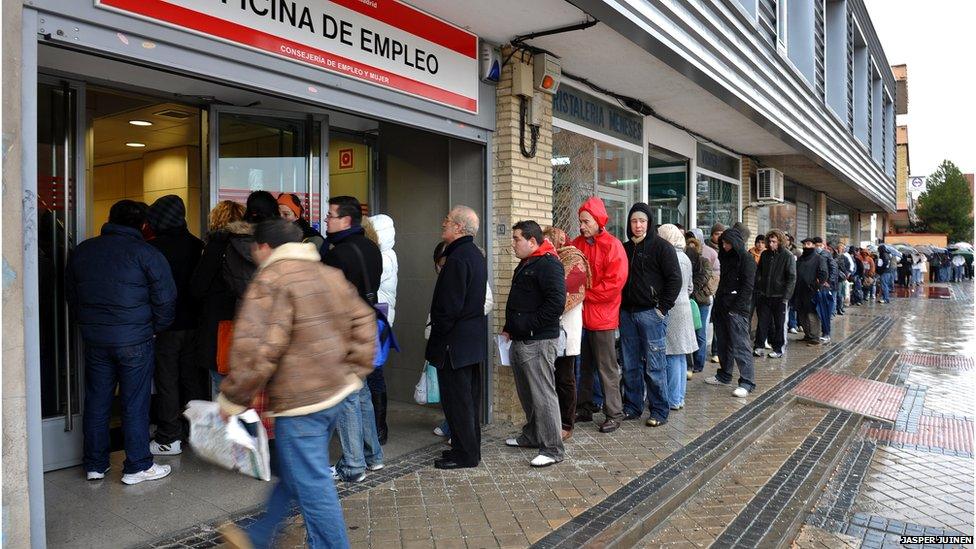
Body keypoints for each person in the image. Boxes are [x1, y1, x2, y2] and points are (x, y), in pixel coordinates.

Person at [216, 218, 375, 549]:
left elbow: (258, 349)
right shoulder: (328, 273)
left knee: (313, 483)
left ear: (263, 247)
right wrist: (354, 369)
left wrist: (233, 398)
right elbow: (364, 318)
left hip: (301, 402)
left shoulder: (271, 280)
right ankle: (259, 536)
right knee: (296, 473)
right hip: (334, 393)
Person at [66, 200, 177, 484]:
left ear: (110, 219)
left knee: (97, 401)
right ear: (143, 225)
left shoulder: (83, 250)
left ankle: (94, 464)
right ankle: (137, 465)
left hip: (96, 340)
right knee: (134, 403)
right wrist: (155, 329)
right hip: (136, 340)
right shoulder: (147, 253)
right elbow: (166, 299)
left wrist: (89, 325)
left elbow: (72, 296)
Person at [320, 196, 385, 482]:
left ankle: (353, 466)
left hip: (343, 330)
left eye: (330, 215)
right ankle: (373, 457)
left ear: (346, 220)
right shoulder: (372, 248)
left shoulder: (337, 254)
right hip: (367, 325)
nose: (325, 220)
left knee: (347, 397)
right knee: (362, 394)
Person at [191, 191, 279, 390]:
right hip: (269, 335)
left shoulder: (221, 244)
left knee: (226, 400)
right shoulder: (283, 246)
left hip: (224, 332)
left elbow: (198, 288)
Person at [426, 206, 488, 469]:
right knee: (467, 401)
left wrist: (438, 331)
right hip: (469, 343)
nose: (443, 223)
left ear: (460, 228)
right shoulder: (473, 254)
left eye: (448, 220)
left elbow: (449, 306)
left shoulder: (459, 258)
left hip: (454, 344)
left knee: (459, 402)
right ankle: (467, 450)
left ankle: (466, 455)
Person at [501, 221, 567, 467]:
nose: (513, 243)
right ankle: (531, 435)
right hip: (521, 339)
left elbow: (556, 304)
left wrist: (529, 325)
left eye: (517, 239)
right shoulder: (528, 262)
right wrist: (510, 328)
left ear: (532, 241)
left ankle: (552, 448)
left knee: (543, 395)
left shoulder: (548, 263)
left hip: (538, 341)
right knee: (527, 393)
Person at [146, 195, 205, 456]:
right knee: (192, 379)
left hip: (166, 326)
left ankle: (170, 435)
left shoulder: (153, 248)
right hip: (195, 324)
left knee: (167, 380)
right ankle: (197, 432)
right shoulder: (197, 245)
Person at [618, 204, 680, 427]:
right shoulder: (624, 249)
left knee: (654, 365)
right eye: (634, 221)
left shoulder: (662, 248)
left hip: (651, 315)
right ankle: (632, 407)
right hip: (626, 315)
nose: (638, 225)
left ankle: (659, 410)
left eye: (642, 221)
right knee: (630, 364)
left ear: (649, 223)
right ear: (629, 223)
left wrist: (662, 309)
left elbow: (675, 280)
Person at [573, 197, 629, 433]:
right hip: (582, 316)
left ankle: (614, 413)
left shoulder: (613, 245)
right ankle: (585, 407)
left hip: (602, 317)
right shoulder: (577, 243)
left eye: (586, 221)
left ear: (598, 221)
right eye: (580, 221)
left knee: (606, 368)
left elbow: (614, 284)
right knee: (583, 366)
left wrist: (584, 294)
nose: (582, 225)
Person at [543, 227, 590, 441]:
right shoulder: (550, 260)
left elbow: (565, 293)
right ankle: (552, 419)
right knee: (551, 376)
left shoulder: (574, 259)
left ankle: (566, 423)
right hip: (549, 326)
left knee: (565, 376)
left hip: (566, 327)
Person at [703, 225, 756, 398]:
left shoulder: (747, 260)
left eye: (727, 243)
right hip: (722, 307)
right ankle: (724, 374)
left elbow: (747, 287)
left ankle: (747, 381)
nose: (724, 246)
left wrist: (737, 309)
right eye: (723, 243)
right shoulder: (724, 257)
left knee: (741, 345)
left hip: (737, 310)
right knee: (724, 343)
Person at [365, 214, 397, 445]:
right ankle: (376, 426)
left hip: (377, 321)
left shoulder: (384, 258)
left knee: (374, 375)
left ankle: (378, 428)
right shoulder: (386, 255)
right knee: (374, 374)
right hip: (380, 319)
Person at [658, 224, 696, 410]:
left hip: (672, 309)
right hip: (684, 306)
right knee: (680, 356)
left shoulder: (670, 256)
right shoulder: (686, 257)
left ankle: (673, 398)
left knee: (671, 354)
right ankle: (679, 397)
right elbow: (690, 287)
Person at [753, 230, 796, 358]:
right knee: (763, 322)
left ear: (780, 242)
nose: (771, 244)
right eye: (770, 241)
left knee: (779, 324)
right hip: (765, 294)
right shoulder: (765, 254)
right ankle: (759, 346)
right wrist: (759, 286)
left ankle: (778, 349)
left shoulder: (787, 256)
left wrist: (786, 297)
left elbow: (792, 277)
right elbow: (759, 272)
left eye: (774, 242)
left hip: (780, 296)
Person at [685, 232, 713, 378]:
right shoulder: (685, 262)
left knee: (700, 333)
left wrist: (689, 287)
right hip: (688, 302)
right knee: (690, 333)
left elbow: (702, 278)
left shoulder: (704, 262)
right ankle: (690, 363)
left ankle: (699, 363)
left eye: (693, 247)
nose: (691, 250)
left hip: (701, 302)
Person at [795, 238, 828, 344]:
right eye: (804, 244)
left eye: (808, 244)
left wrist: (815, 285)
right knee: (802, 314)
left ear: (814, 245)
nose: (806, 246)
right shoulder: (800, 259)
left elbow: (823, 274)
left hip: (812, 291)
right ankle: (807, 334)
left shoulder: (819, 259)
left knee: (811, 314)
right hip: (800, 290)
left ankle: (814, 337)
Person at [706, 223, 726, 363]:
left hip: (722, 290)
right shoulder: (706, 249)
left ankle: (716, 351)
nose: (718, 237)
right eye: (716, 234)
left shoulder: (726, 248)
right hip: (708, 290)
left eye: (721, 234)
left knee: (719, 322)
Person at [813, 237, 836, 341]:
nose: (818, 247)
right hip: (813, 286)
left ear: (823, 245)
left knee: (824, 310)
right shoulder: (811, 255)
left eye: (820, 245)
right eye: (816, 245)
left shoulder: (826, 254)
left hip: (824, 287)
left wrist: (829, 281)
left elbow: (833, 268)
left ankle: (826, 332)